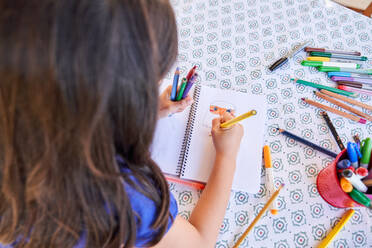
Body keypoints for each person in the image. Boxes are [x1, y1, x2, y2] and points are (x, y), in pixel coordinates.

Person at [0, 0, 243, 247]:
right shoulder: (125, 197)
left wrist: (144, 111)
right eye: (150, 84)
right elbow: (199, 243)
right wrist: (227, 157)